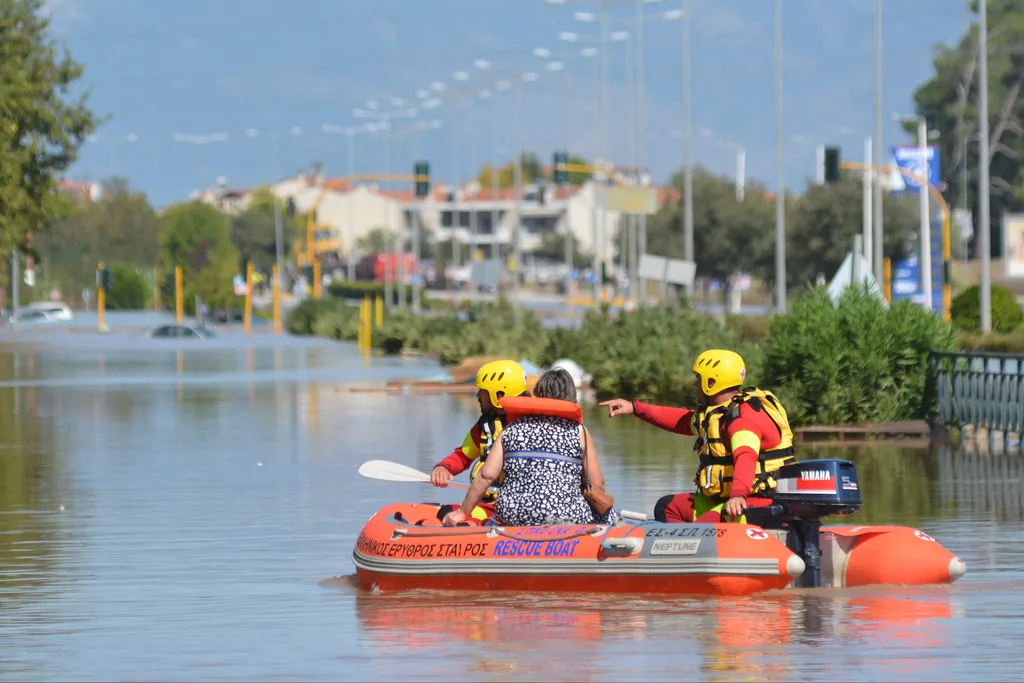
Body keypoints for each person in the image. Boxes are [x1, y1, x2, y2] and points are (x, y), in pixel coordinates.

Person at [600, 349, 796, 524]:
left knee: (704, 526)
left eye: (698, 378)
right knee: (667, 506)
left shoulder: (743, 418)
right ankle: (680, 558)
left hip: (755, 501)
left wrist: (738, 495)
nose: (695, 384)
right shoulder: (718, 413)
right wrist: (635, 408)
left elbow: (746, 456)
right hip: (725, 500)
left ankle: (700, 552)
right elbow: (682, 420)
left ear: (712, 382)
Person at [442, 367, 613, 527]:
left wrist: (462, 513)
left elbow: (485, 476)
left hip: (512, 514)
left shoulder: (511, 428)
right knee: (606, 515)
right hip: (564, 514)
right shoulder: (579, 432)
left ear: (537, 395)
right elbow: (598, 484)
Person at [430, 359, 528, 521]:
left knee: (464, 522)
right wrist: (444, 468)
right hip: (489, 504)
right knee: (444, 512)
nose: (477, 396)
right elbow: (462, 456)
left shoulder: (533, 424)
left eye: (482, 391)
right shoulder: (486, 426)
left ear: (499, 394)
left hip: (516, 505)